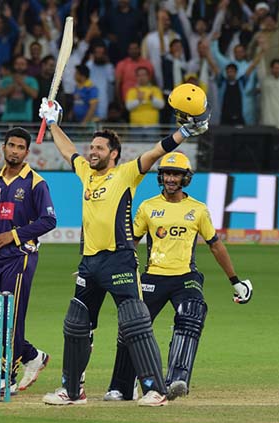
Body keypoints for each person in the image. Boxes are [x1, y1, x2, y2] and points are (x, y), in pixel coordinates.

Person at [38, 83, 210, 406]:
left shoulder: (127, 174)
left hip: (119, 261)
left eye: (99, 148)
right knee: (76, 324)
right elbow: (66, 151)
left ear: (113, 154)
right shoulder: (86, 174)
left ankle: (155, 390)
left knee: (134, 323)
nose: (92, 152)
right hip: (89, 262)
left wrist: (184, 132)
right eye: (92, 147)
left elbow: (157, 150)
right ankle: (73, 391)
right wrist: (53, 123)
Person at [104, 151, 253, 402]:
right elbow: (131, 243)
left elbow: (215, 245)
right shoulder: (148, 207)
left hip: (186, 276)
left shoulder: (197, 210)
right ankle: (123, 384)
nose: (171, 179)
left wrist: (234, 281)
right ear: (161, 177)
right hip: (153, 276)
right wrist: (110, 267)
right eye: (167, 174)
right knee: (131, 326)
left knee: (192, 313)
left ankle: (176, 379)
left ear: (186, 178)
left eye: (176, 174)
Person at [0, 127, 57, 396]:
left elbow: (49, 220)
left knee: (11, 319)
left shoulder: (36, 182)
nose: (14, 151)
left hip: (21, 258)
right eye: (10, 145)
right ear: (3, 147)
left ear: (27, 151)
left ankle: (6, 378)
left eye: (20, 147)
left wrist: (13, 236)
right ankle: (33, 355)